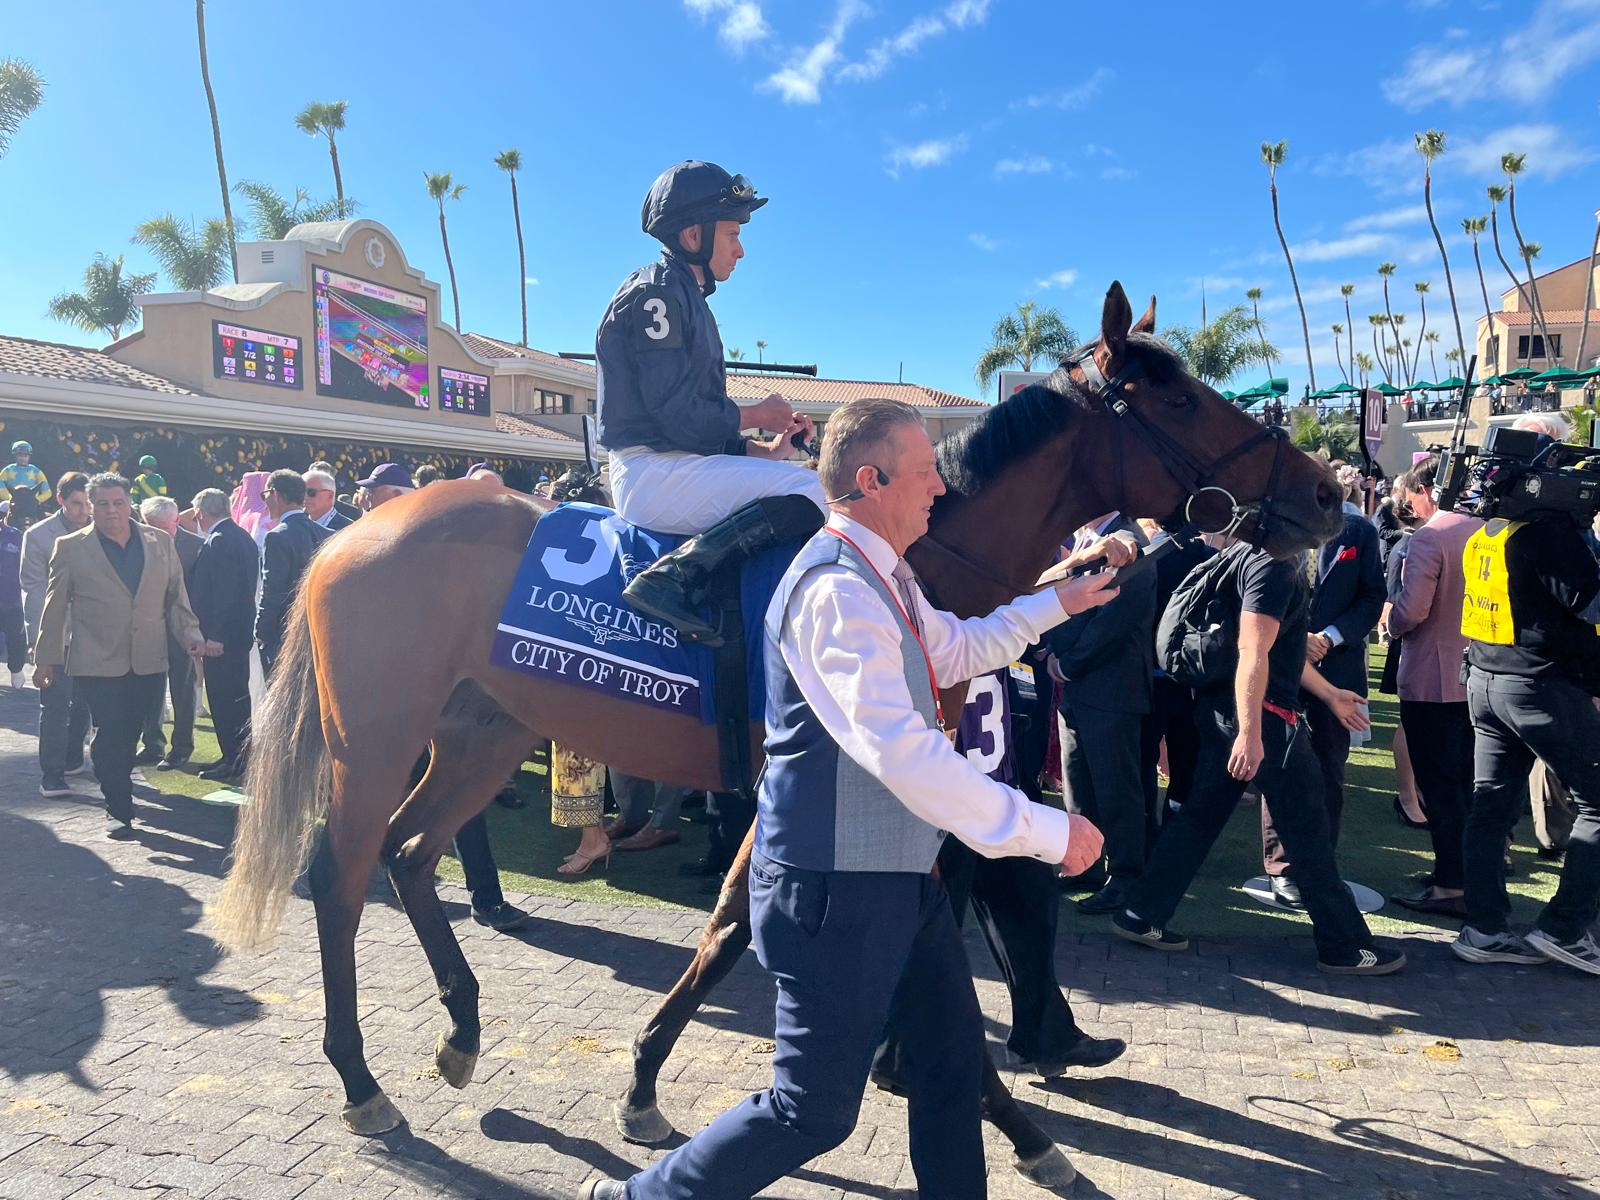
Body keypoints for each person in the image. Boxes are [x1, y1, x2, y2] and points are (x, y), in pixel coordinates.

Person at [578, 397, 1127, 1200]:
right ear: (870, 481)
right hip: (832, 893)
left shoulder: (886, 573)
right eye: (926, 471)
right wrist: (1047, 830)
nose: (942, 486)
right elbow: (904, 755)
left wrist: (1056, 604)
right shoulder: (837, 591)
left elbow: (955, 649)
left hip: (901, 886)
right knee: (812, 1112)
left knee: (946, 1071)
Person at [1115, 538, 1406, 975]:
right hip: (1261, 720)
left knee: (1200, 818)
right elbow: (1253, 651)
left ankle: (1141, 912)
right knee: (1309, 828)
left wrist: (1328, 695)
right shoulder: (1275, 564)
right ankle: (1343, 944)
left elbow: (1269, 649)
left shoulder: (1248, 553)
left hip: (1230, 714)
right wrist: (1251, 735)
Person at [595, 160, 825, 641]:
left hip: (674, 467)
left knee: (802, 479)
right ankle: (674, 578)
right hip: (649, 472)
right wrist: (758, 412)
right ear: (693, 236)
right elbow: (679, 419)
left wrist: (770, 448)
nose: (741, 250)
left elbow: (699, 431)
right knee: (812, 493)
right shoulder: (655, 294)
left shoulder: (684, 295)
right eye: (732, 233)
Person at [1453, 477, 1600, 973]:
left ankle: (1485, 928)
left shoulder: (1489, 529)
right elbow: (1590, 604)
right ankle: (1565, 927)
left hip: (1487, 678)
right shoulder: (1547, 534)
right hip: (1541, 684)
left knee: (1491, 807)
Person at [34, 473, 204, 837]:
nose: (112, 510)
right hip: (96, 658)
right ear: (90, 507)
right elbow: (55, 606)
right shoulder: (70, 546)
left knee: (130, 734)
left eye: (119, 503)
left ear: (131, 504)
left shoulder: (159, 541)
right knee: (111, 731)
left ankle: (115, 779)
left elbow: (176, 596)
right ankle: (119, 808)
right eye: (103, 504)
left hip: (149, 657)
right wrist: (45, 659)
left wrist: (192, 636)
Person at [1261, 478, 1384, 908]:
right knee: (1279, 763)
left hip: (1338, 667)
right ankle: (1281, 867)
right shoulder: (1273, 529)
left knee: (1330, 768)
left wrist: (1329, 637)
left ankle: (1321, 863)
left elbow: (1372, 598)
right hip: (1279, 669)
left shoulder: (1359, 532)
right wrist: (1296, 639)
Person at [1046, 511, 1156, 914]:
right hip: (1081, 686)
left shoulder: (1128, 542)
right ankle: (1084, 866)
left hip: (1111, 688)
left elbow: (1115, 621)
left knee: (1116, 788)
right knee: (1078, 781)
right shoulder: (1087, 537)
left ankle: (1126, 878)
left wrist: (1067, 663)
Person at [1386, 455, 1482, 915]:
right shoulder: (1485, 529)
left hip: (1432, 678)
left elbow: (1412, 611)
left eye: (1409, 498)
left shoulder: (1430, 538)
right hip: (1478, 675)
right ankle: (1463, 873)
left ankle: (1451, 885)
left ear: (1426, 491)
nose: (1408, 507)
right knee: (1465, 782)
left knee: (1440, 787)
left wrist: (1391, 621)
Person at [23, 472, 93, 797]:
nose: (84, 511)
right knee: (54, 705)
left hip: (95, 636)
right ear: (61, 501)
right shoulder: (39, 536)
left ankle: (72, 758)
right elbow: (34, 592)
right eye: (77, 504)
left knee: (84, 703)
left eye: (87, 503)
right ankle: (51, 774)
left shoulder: (102, 530)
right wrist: (40, 646)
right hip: (57, 634)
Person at [188, 488, 260, 780]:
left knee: (223, 699)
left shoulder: (219, 541)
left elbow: (225, 593)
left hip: (223, 638)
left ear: (201, 513)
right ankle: (236, 756)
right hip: (239, 634)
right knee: (237, 699)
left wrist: (215, 635)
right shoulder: (241, 537)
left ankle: (234, 759)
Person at [134, 496, 204, 768]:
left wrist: (196, 630)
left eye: (166, 526)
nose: (161, 533)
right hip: (148, 628)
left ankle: (182, 747)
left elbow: (199, 591)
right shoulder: (135, 544)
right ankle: (152, 744)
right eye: (153, 526)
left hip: (182, 629)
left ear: (177, 520)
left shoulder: (196, 547)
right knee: (149, 687)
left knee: (183, 689)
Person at [255, 469, 331, 679]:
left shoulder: (277, 537)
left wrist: (262, 630)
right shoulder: (326, 533)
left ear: (276, 494)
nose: (265, 502)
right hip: (318, 630)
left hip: (285, 634)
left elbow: (273, 590)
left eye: (265, 495)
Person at [0, 502, 27, 688]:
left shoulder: (15, 536)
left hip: (11, 600)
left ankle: (16, 669)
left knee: (16, 639)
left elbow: (25, 567)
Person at [0, 441, 52, 507]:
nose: (23, 458)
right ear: (15, 455)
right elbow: (1, 487)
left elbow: (47, 492)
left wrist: (36, 500)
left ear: (29, 456)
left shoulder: (36, 471)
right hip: (12, 503)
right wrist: (11, 498)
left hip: (32, 504)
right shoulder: (8, 470)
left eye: (25, 455)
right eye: (20, 455)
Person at [309, 460, 361, 524]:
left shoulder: (353, 514)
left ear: (332, 482)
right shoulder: (300, 513)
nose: (318, 484)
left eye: (324, 479)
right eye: (313, 479)